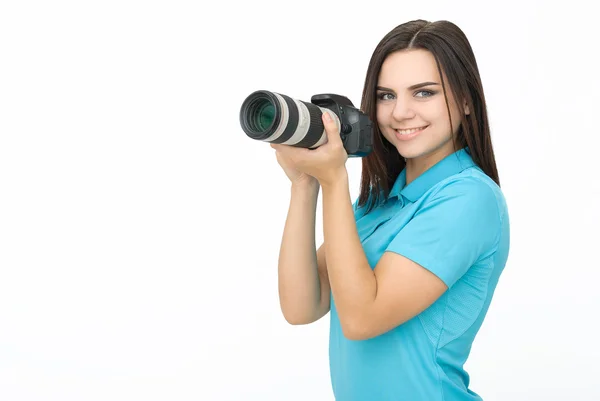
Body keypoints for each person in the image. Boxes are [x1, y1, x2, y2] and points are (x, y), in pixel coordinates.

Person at [270, 19, 510, 401]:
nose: (400, 113)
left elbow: (362, 318)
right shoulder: (378, 201)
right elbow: (302, 305)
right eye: (386, 96)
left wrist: (334, 181)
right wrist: (305, 183)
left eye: (424, 93)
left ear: (465, 101)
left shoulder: (468, 199)